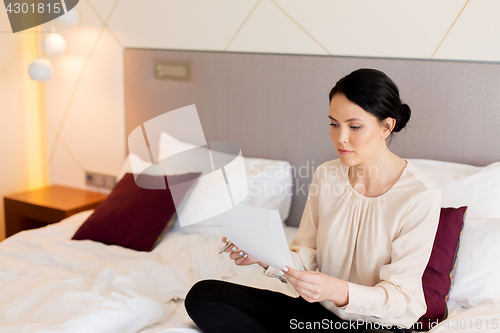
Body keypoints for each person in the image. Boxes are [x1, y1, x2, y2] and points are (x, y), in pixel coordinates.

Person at [185, 68, 442, 333]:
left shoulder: (420, 196)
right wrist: (264, 256)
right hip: (317, 315)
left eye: (354, 126)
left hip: (376, 326)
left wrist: (339, 290)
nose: (340, 137)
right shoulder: (327, 174)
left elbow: (400, 300)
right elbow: (305, 260)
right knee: (204, 296)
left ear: (386, 127)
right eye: (334, 123)